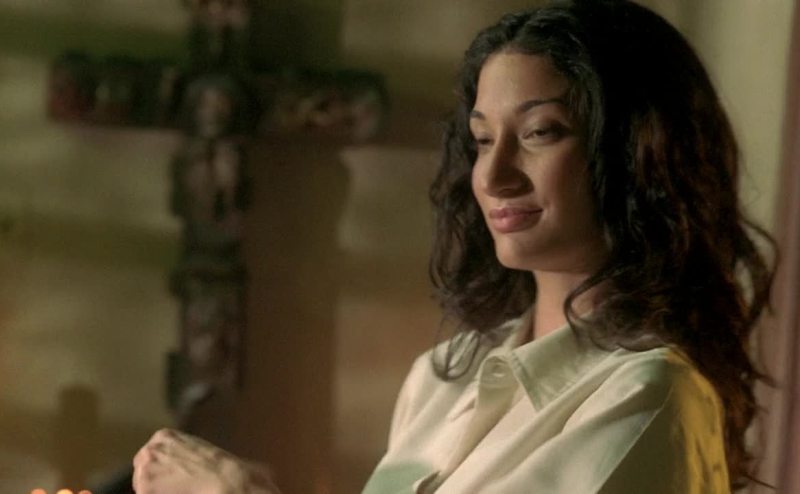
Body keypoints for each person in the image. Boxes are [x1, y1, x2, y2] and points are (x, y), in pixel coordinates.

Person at [132, 0, 775, 492]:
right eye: (482, 139)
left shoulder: (649, 396)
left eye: (540, 132)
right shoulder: (443, 377)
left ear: (637, 151)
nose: (493, 176)